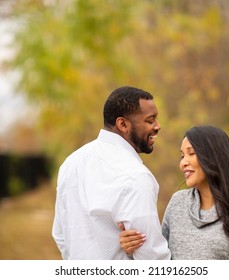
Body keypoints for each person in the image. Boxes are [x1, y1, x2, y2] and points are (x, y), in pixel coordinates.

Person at [119, 125, 229, 260]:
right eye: (182, 156)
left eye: (191, 154)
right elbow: (161, 263)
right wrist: (133, 248)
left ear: (214, 157)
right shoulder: (178, 203)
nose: (183, 163)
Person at [52, 86, 171, 260]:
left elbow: (60, 235)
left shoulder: (71, 163)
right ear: (122, 124)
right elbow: (152, 258)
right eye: (150, 120)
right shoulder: (136, 176)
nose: (158, 126)